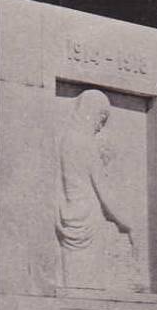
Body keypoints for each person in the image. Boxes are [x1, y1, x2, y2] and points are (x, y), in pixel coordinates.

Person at [56, 89, 136, 290]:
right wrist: (127, 223)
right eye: (101, 117)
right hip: (89, 216)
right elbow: (104, 193)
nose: (101, 125)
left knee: (74, 279)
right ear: (89, 112)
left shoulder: (65, 140)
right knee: (89, 282)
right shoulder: (86, 143)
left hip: (69, 212)